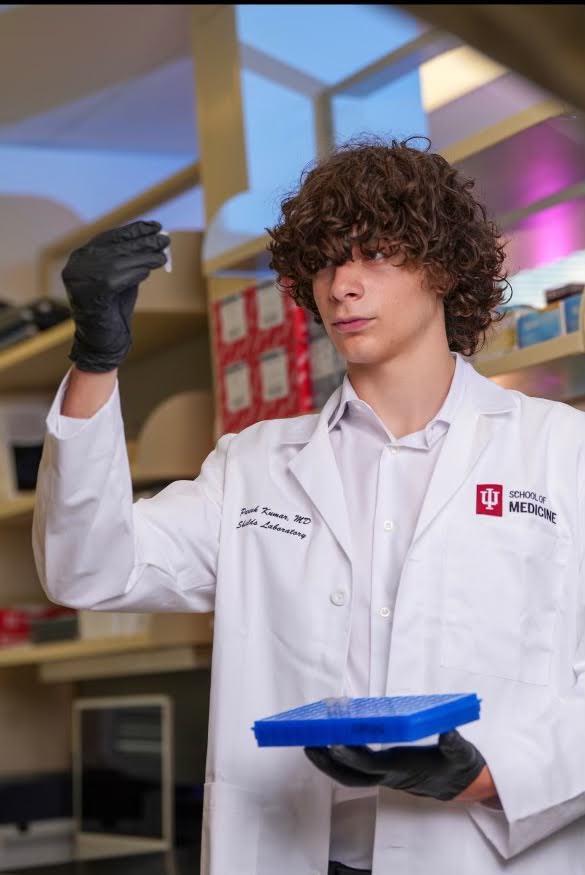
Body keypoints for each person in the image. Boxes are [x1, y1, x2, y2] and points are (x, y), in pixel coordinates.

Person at [33, 136, 585, 875]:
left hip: (486, 849)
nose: (341, 286)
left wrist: (492, 774)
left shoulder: (559, 451)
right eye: (325, 261)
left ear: (445, 266)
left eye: (375, 254)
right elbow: (88, 569)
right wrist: (97, 360)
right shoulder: (255, 466)